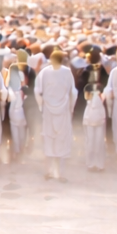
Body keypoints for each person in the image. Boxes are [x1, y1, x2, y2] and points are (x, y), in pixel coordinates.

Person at [35, 49, 76, 182]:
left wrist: (41, 106)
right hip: (63, 109)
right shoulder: (67, 72)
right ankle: (58, 172)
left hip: (48, 109)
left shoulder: (44, 72)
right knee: (61, 138)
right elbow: (73, 92)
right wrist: (71, 107)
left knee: (49, 138)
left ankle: (52, 171)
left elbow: (37, 91)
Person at [82, 80, 107, 172]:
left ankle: (99, 164)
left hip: (98, 122)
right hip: (90, 122)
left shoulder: (99, 97)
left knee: (98, 143)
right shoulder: (88, 105)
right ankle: (91, 164)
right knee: (92, 143)